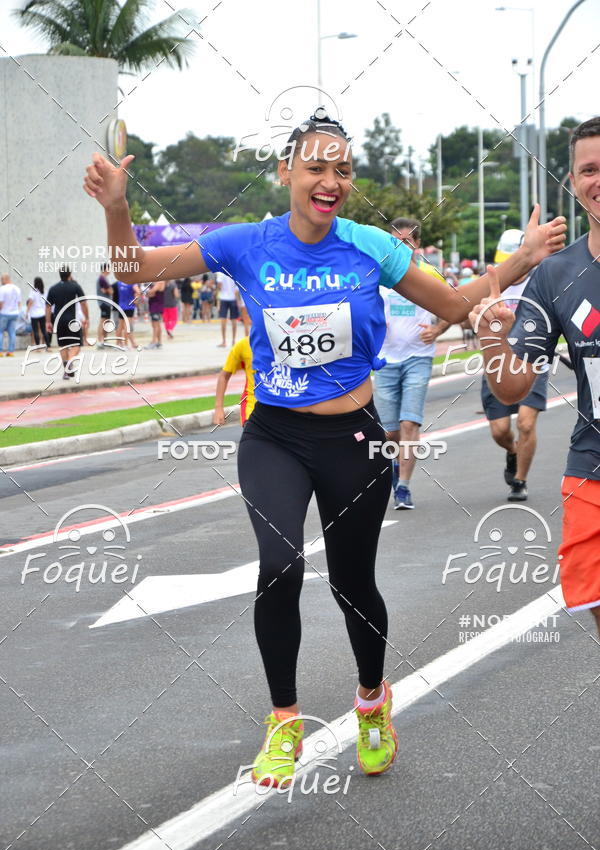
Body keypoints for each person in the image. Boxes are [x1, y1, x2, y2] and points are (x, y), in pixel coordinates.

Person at [84, 110, 565, 784]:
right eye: (316, 166)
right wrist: (117, 206)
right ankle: (284, 721)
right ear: (286, 172)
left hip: (355, 438)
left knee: (351, 581)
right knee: (278, 567)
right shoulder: (246, 243)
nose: (331, 180)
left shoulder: (370, 246)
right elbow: (135, 270)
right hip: (275, 436)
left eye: (342, 169)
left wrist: (518, 261)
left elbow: (455, 307)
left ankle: (371, 701)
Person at [469, 116, 600, 634]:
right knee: (592, 597)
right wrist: (490, 335)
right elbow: (513, 385)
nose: (599, 180)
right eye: (589, 169)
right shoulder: (555, 275)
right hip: (594, 463)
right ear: (572, 181)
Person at [374, 217, 451, 510]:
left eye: (407, 241)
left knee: (409, 423)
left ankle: (404, 488)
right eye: (396, 241)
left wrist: (439, 329)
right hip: (386, 359)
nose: (402, 246)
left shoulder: (430, 274)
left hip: (418, 356)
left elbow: (457, 304)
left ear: (417, 244)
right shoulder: (381, 273)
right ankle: (394, 469)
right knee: (389, 433)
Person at [480, 231, 548, 502]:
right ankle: (512, 451)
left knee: (526, 423)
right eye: (506, 259)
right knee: (499, 431)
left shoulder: (540, 282)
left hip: (533, 359)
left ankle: (520, 480)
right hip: (496, 362)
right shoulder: (490, 282)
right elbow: (463, 315)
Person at [46, 267, 88, 378]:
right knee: (77, 345)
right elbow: (83, 303)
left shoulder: (53, 288)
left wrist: (47, 322)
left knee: (63, 345)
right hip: (73, 320)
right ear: (70, 274)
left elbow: (48, 306)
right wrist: (87, 317)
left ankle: (66, 371)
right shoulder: (75, 286)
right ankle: (70, 361)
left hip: (59, 320)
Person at [213, 335, 255, 426]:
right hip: (251, 408)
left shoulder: (285, 344)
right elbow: (223, 376)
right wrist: (218, 407)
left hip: (280, 408)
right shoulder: (244, 344)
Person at [0, 273, 22, 356]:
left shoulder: (2, 289)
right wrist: (17, 311)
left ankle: (0, 351)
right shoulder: (17, 289)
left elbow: (1, 303)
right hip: (14, 313)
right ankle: (11, 351)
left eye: (1, 279)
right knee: (12, 332)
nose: (1, 281)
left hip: (4, 313)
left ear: (6, 279)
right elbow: (19, 303)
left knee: (0, 332)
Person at [216, 271, 240, 346]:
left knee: (223, 320)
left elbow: (219, 285)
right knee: (234, 320)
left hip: (223, 297)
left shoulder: (220, 273)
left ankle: (224, 341)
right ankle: (233, 340)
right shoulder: (233, 271)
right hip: (233, 297)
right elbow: (237, 288)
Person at [26, 276, 51, 350]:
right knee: (44, 330)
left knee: (36, 330)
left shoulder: (33, 291)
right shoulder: (44, 292)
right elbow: (47, 303)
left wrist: (27, 312)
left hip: (34, 314)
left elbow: (30, 302)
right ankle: (48, 346)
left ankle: (38, 347)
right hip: (42, 313)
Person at [114, 279, 139, 349]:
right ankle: (125, 345)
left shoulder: (119, 283)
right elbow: (138, 291)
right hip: (129, 307)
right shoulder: (132, 282)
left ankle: (117, 344)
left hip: (121, 306)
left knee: (120, 326)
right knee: (126, 327)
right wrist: (136, 300)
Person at [96, 262, 113, 346]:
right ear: (105, 269)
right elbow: (111, 291)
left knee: (106, 321)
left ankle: (105, 341)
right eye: (109, 268)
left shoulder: (104, 278)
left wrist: (107, 290)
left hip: (107, 303)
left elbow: (109, 290)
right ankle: (100, 341)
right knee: (103, 321)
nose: (110, 270)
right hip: (104, 303)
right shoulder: (102, 278)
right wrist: (108, 290)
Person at [146, 281, 164, 348]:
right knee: (157, 325)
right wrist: (149, 293)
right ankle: (159, 342)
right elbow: (149, 294)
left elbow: (151, 292)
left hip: (156, 307)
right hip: (153, 306)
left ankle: (154, 342)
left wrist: (147, 292)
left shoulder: (160, 282)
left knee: (155, 325)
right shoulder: (155, 283)